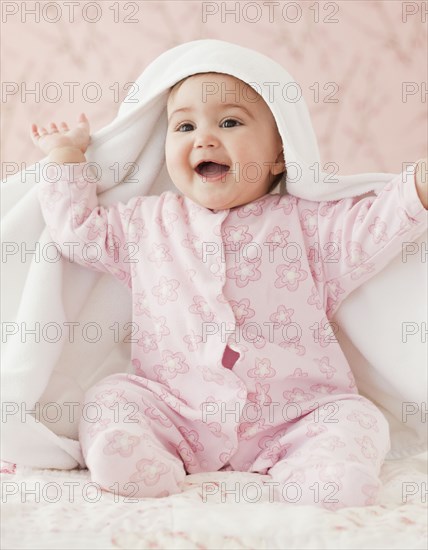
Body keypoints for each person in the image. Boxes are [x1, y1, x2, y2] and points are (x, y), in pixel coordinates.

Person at [32, 71, 427, 509]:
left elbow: (374, 226)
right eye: (185, 127)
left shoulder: (307, 224)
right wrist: (67, 157)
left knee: (356, 417)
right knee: (110, 398)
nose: (203, 139)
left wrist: (417, 189)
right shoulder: (147, 223)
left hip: (294, 414)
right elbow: (79, 233)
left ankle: (324, 472)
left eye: (230, 123)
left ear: (280, 153)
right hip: (176, 408)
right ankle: (134, 458)